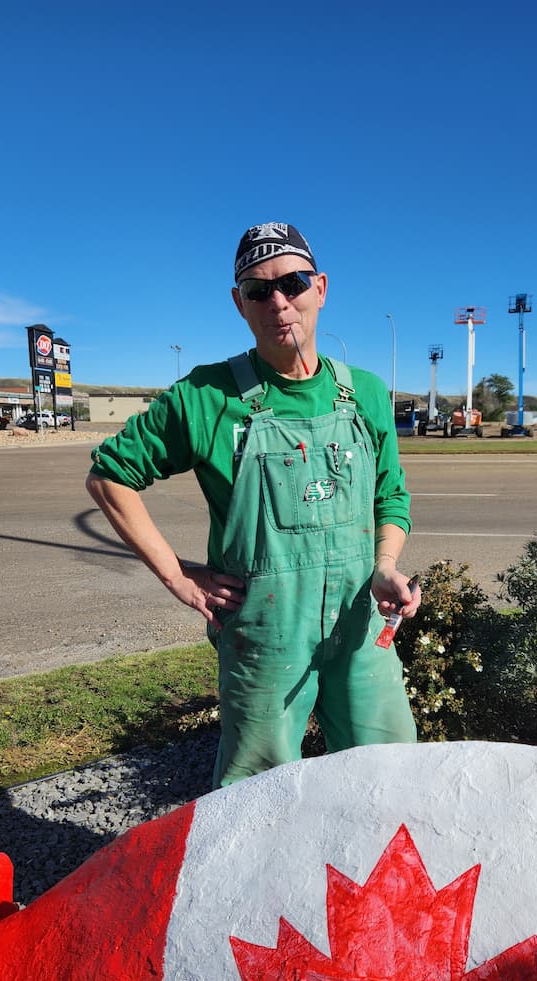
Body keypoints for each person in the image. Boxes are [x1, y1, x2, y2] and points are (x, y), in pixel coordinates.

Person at [86, 221, 420, 787]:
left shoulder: (363, 393)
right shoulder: (205, 396)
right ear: (239, 302)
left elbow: (391, 495)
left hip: (362, 622)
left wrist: (385, 565)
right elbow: (109, 477)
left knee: (391, 775)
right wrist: (177, 575)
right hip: (264, 635)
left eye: (293, 282)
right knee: (256, 793)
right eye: (260, 289)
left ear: (321, 287)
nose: (279, 302)